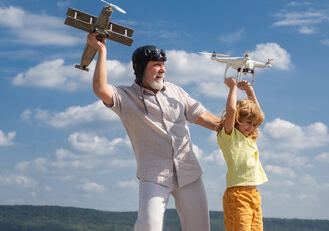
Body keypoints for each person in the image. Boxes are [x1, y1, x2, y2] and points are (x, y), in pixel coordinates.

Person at [86, 32, 220, 231]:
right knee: (148, 227)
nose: (162, 70)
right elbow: (100, 88)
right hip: (154, 175)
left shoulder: (176, 91)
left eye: (163, 65)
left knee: (200, 228)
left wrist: (234, 127)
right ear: (140, 68)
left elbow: (202, 117)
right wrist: (101, 51)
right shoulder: (125, 96)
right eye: (156, 65)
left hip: (189, 172)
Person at [216, 77, 268, 231]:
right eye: (248, 122)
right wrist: (232, 87)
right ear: (238, 119)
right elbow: (232, 110)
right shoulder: (229, 136)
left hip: (254, 194)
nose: (251, 127)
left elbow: (257, 116)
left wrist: (249, 91)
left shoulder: (250, 138)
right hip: (237, 195)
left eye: (254, 125)